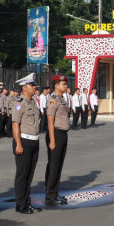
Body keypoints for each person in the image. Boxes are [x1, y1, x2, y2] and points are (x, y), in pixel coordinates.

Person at [11, 73, 42, 214]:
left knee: (30, 174)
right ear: (24, 87)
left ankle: (27, 202)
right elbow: (15, 125)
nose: (34, 87)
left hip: (34, 141)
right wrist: (18, 144)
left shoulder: (33, 102)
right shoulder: (19, 103)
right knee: (22, 175)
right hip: (23, 141)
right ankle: (20, 204)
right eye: (32, 85)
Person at [44, 75, 71, 205]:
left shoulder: (62, 99)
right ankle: (50, 194)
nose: (66, 86)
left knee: (59, 165)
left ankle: (55, 192)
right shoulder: (53, 100)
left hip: (63, 134)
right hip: (55, 134)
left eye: (65, 84)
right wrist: (52, 140)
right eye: (63, 84)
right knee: (54, 165)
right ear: (56, 85)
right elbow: (50, 121)